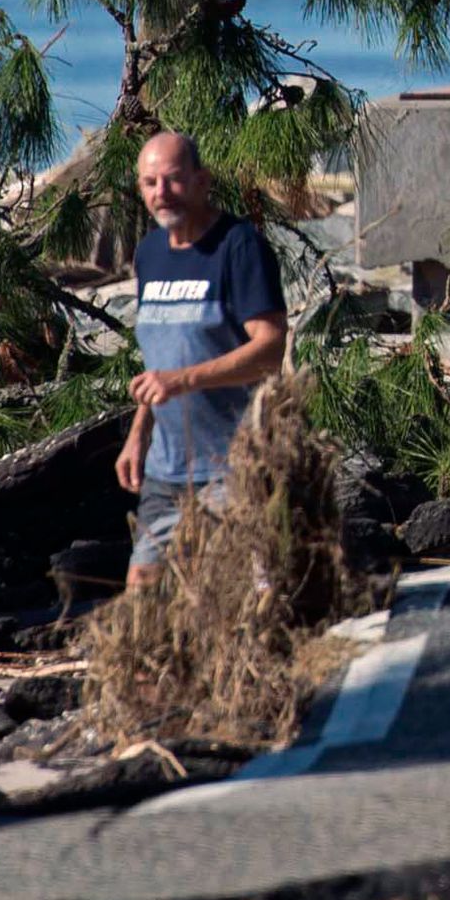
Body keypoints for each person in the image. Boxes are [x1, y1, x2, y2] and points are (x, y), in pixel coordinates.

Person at [113, 129, 289, 583]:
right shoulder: (150, 254)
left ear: (201, 181)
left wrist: (183, 380)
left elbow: (270, 348)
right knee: (143, 591)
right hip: (165, 468)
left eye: (172, 180)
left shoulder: (238, 246)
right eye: (150, 183)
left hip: (232, 466)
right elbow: (160, 358)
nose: (161, 193)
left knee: (228, 596)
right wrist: (139, 434)